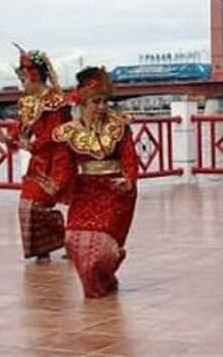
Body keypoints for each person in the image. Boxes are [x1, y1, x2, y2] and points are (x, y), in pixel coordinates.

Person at [52, 66, 139, 298]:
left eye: (105, 102)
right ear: (82, 102)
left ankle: (103, 278)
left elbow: (129, 157)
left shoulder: (119, 125)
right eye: (96, 102)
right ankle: (101, 281)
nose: (102, 107)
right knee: (74, 241)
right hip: (85, 190)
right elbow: (64, 166)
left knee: (101, 248)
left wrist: (128, 181)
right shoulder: (69, 132)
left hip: (115, 191)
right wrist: (55, 186)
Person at [0, 45, 71, 262]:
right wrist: (8, 138)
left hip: (58, 160)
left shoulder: (55, 101)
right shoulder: (27, 103)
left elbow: (56, 135)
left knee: (38, 204)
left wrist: (29, 146)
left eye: (23, 78)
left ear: (34, 76)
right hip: (39, 161)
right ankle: (45, 248)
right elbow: (22, 131)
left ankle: (67, 237)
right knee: (27, 205)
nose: (22, 83)